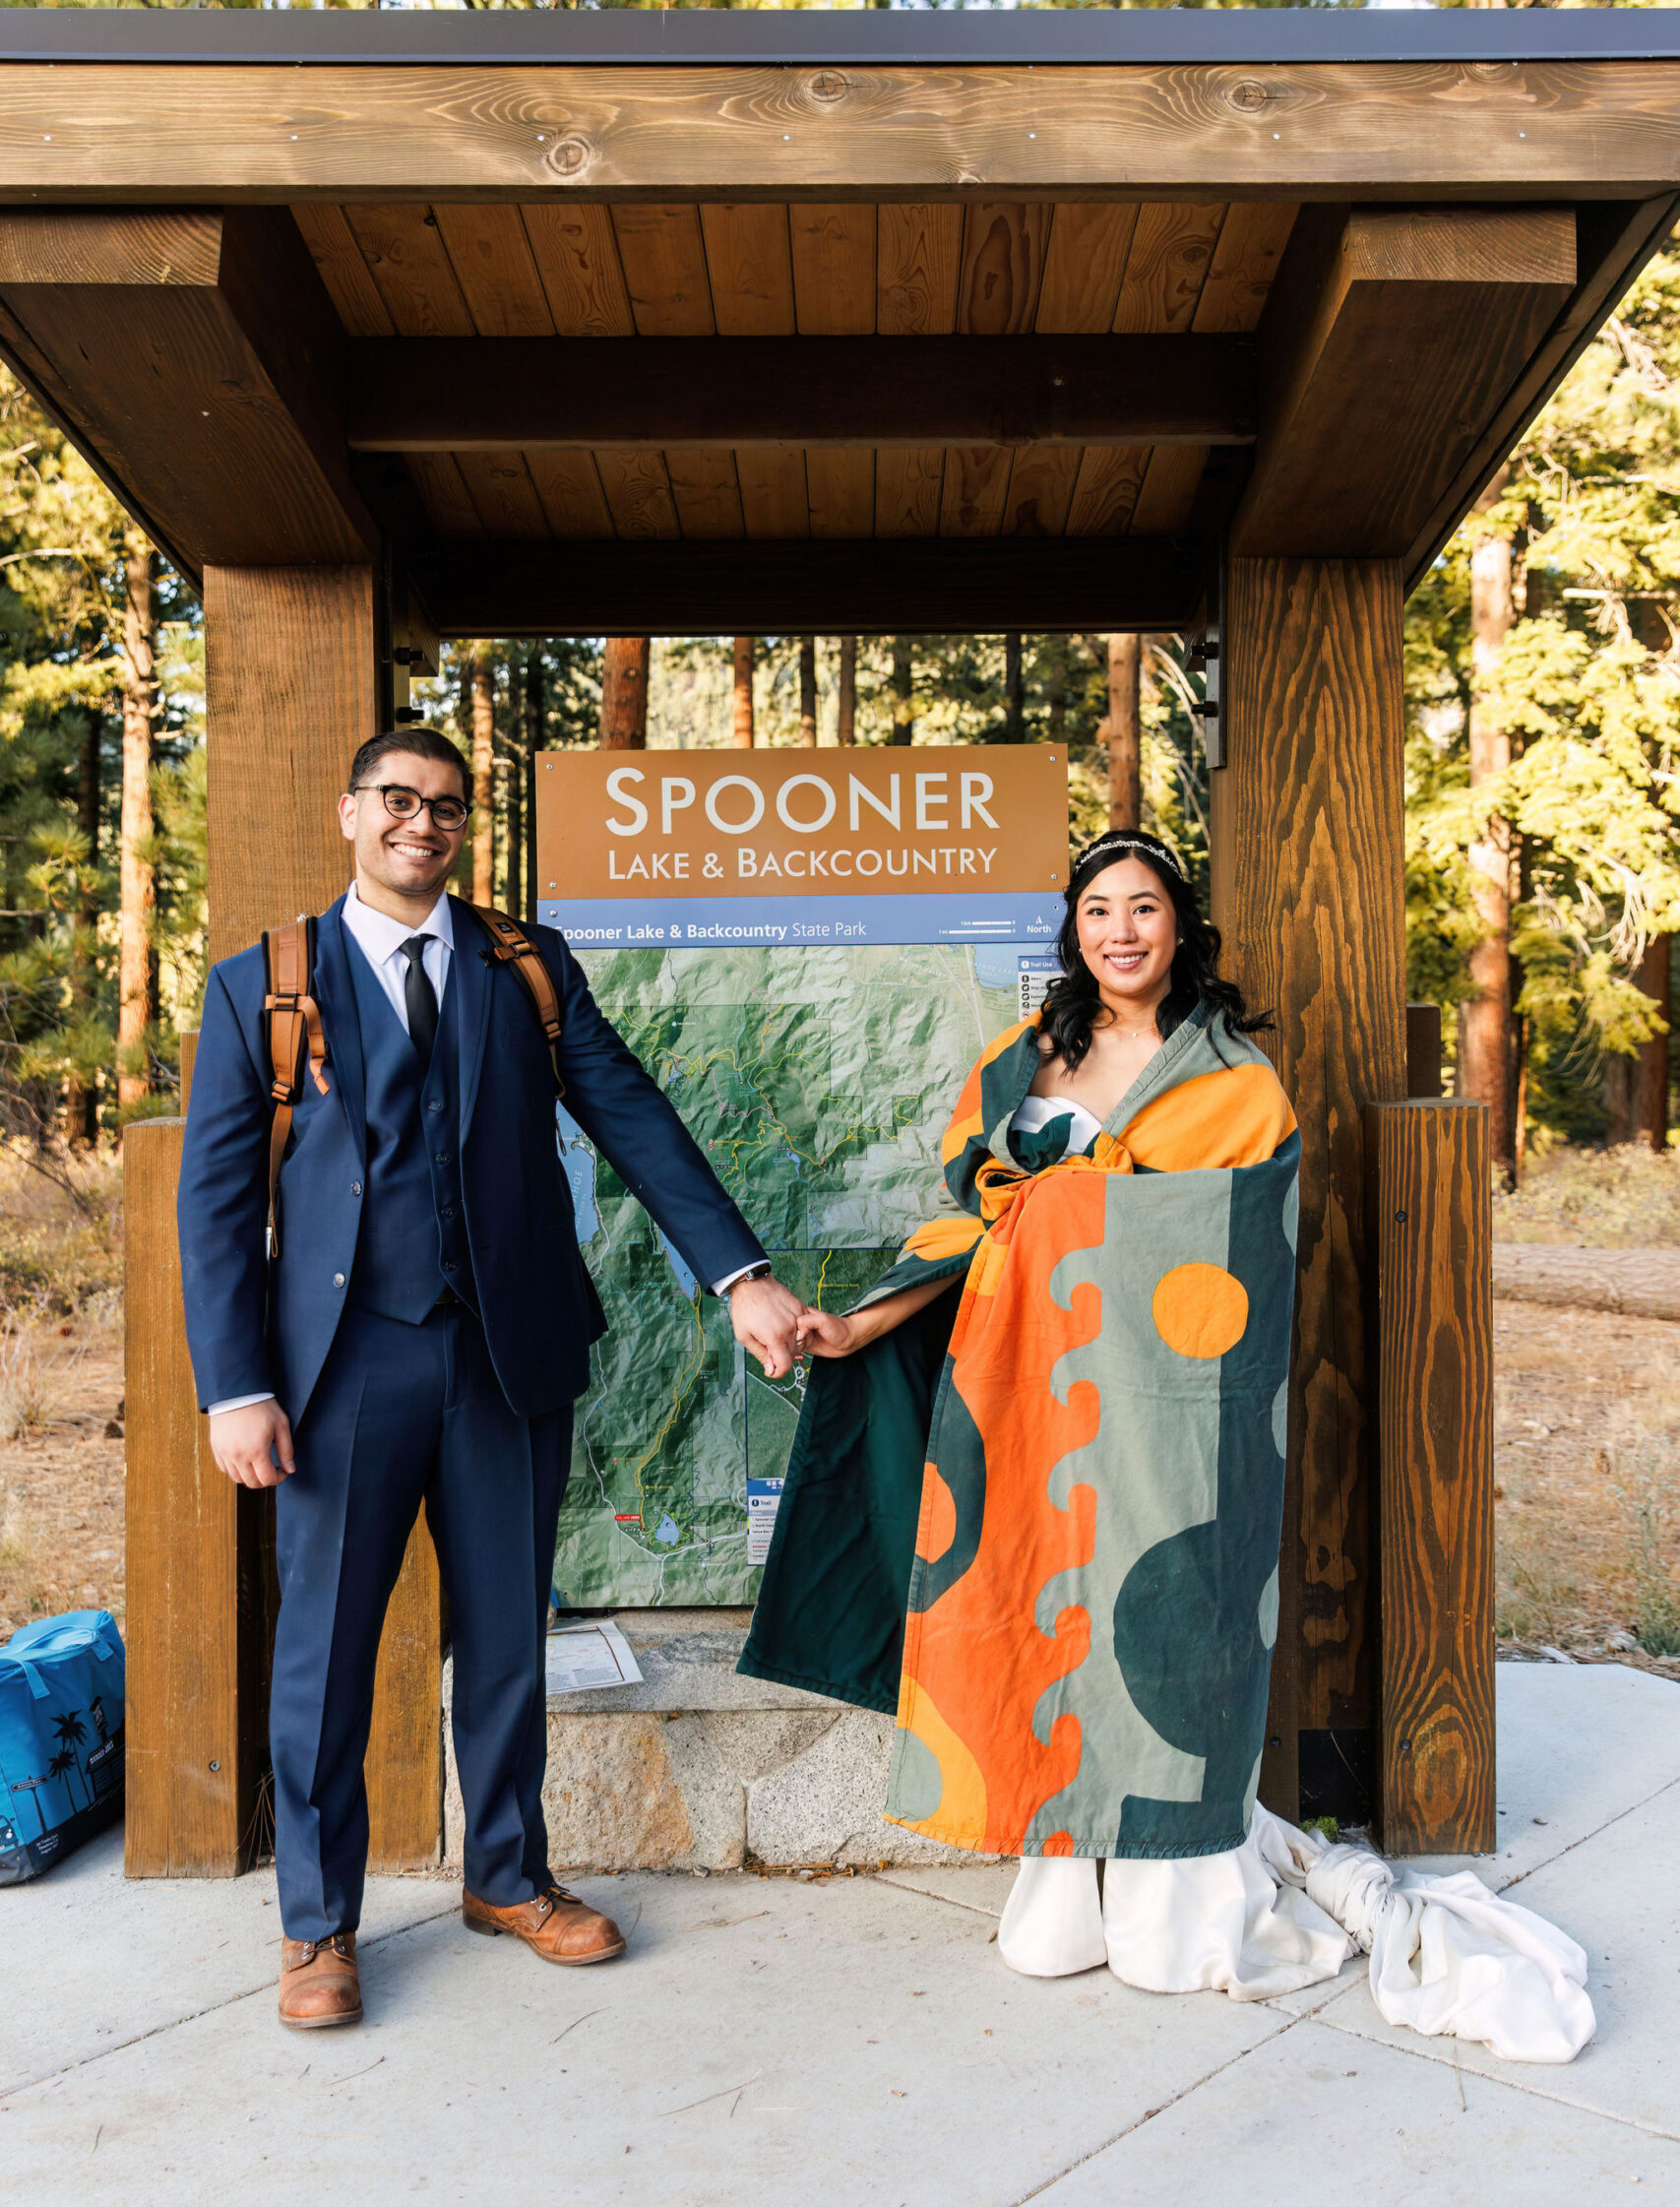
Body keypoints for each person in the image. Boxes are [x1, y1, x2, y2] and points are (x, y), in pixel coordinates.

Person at [740, 830, 1595, 2065]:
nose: (1121, 931)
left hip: (1178, 1413)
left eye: (1144, 908)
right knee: (1040, 1615)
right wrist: (857, 1320)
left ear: (1179, 928)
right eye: (1097, 910)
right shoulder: (1022, 1061)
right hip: (1026, 1392)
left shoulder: (1237, 1083)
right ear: (1073, 930)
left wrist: (1081, 1202)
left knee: (1163, 1623)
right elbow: (977, 1221)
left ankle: (1193, 1879)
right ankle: (1062, 1865)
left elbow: (1241, 1248)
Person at [178, 729, 803, 2034]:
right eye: (397, 800)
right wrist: (235, 1384)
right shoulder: (264, 986)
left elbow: (629, 1112)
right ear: (353, 813)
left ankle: (509, 1879)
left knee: (510, 1637)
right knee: (324, 1658)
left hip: (505, 1356)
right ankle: (315, 1925)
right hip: (337, 1373)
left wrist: (738, 1273)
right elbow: (218, 1204)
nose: (422, 824)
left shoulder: (526, 967)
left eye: (446, 807)